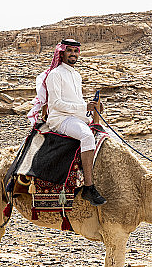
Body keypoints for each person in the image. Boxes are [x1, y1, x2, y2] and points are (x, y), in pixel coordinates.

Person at [28, 38, 107, 206]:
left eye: (76, 51)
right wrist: (84, 107)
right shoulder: (55, 75)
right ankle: (88, 187)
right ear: (62, 52)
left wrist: (92, 108)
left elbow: (76, 101)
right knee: (86, 136)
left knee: (106, 134)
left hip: (76, 117)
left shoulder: (76, 75)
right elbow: (56, 104)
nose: (73, 54)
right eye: (69, 50)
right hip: (60, 119)